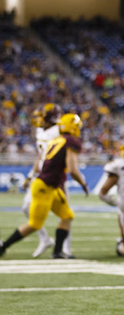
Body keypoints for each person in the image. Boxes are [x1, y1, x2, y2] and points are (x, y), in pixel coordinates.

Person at [1, 114, 88, 258]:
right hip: (44, 187)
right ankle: (4, 246)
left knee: (67, 216)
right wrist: (83, 183)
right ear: (72, 127)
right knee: (34, 224)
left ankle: (57, 252)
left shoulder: (55, 140)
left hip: (51, 186)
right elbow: (73, 169)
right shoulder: (71, 141)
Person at [21, 104, 72, 258]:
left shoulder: (58, 131)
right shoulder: (40, 131)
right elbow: (40, 155)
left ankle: (65, 249)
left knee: (65, 215)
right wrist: (31, 174)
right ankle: (45, 239)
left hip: (56, 177)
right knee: (26, 208)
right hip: (42, 177)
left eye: (41, 115)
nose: (37, 119)